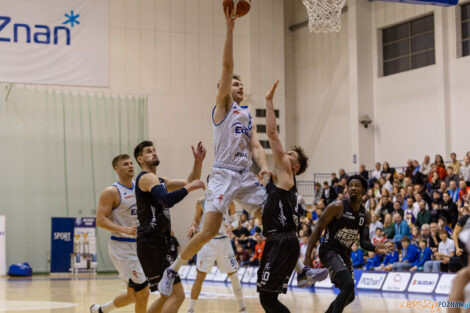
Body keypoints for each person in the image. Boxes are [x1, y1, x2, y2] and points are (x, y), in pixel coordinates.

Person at [161, 7, 271, 297]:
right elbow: (226, 65)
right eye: (234, 82)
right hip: (222, 173)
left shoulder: (247, 115)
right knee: (207, 231)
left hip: (244, 174)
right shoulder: (222, 107)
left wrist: (265, 167)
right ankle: (172, 270)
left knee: (272, 216)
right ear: (223, 88)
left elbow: (257, 146)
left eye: (241, 82)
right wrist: (230, 28)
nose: (239, 84)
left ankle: (298, 268)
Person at [256, 80, 327, 313]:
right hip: (279, 241)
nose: (286, 153)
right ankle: (303, 272)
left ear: (294, 166)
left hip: (283, 241)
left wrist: (268, 101)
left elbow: (272, 133)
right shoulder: (279, 181)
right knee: (267, 299)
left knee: (268, 300)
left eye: (291, 154)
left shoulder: (288, 174)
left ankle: (303, 272)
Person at [134, 140, 205, 313]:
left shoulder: (159, 180)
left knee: (167, 295)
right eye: (149, 151)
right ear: (140, 159)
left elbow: (190, 180)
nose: (154, 153)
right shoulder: (146, 178)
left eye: (154, 150)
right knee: (177, 295)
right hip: (151, 244)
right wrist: (189, 188)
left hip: (155, 244)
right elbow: (166, 199)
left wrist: (198, 162)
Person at [304, 175, 387, 313]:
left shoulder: (365, 215)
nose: (353, 188)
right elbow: (318, 228)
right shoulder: (337, 206)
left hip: (344, 254)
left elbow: (364, 242)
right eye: (351, 186)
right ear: (347, 189)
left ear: (364, 190)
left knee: (350, 296)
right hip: (329, 250)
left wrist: (375, 248)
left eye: (357, 186)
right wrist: (308, 255)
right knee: (348, 285)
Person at [90, 154, 150, 313]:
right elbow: (100, 220)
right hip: (122, 248)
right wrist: (124, 229)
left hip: (140, 247)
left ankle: (101, 310)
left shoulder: (139, 187)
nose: (130, 166)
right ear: (116, 169)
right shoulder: (111, 191)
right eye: (125, 164)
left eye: (131, 163)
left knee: (132, 296)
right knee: (143, 292)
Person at [186, 194, 246, 313]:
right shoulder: (201, 201)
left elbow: (236, 221)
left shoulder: (228, 200)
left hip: (224, 241)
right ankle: (190, 309)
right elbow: (196, 219)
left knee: (234, 276)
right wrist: (193, 227)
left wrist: (231, 226)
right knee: (200, 277)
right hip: (207, 242)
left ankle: (242, 308)